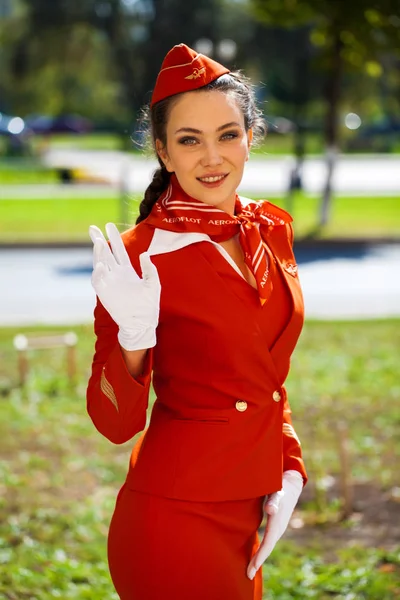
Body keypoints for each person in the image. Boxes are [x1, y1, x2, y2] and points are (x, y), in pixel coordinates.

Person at [86, 43, 308, 600]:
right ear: (162, 151)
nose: (213, 158)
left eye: (227, 135)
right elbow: (113, 424)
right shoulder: (137, 256)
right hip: (174, 518)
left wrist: (288, 466)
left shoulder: (269, 230)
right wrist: (134, 339)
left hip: (252, 510)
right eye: (190, 140)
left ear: (250, 137)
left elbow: (263, 378)